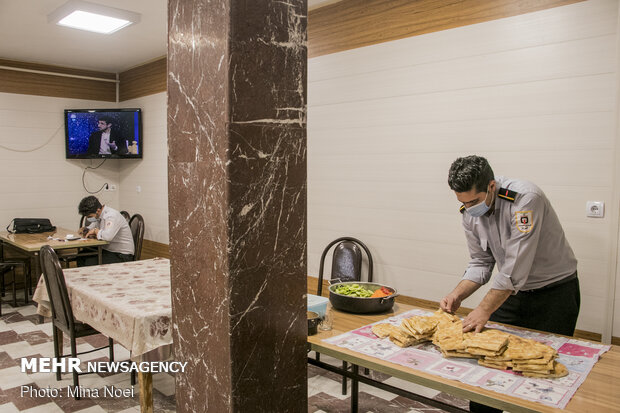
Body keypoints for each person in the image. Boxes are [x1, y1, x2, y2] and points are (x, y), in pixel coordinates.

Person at [441, 155, 580, 413]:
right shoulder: (470, 213)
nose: (469, 208)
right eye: (462, 202)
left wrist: (483, 309)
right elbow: (481, 262)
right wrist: (457, 294)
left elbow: (515, 268)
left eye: (474, 201)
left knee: (540, 373)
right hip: (510, 293)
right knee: (486, 367)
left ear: (492, 186)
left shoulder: (526, 199)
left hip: (554, 294)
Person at [77, 196, 134, 266]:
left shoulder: (111, 216)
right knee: (81, 256)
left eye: (89, 216)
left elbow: (107, 236)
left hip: (122, 254)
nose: (88, 219)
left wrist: (95, 231)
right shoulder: (99, 215)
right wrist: (86, 229)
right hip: (108, 250)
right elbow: (92, 227)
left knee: (89, 262)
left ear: (98, 210)